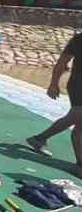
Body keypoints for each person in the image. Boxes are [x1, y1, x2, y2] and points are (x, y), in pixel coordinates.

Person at [26, 32, 82, 178]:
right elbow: (63, 62)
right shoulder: (79, 39)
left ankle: (39, 139)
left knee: (76, 120)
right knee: (79, 118)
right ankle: (80, 165)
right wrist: (53, 84)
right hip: (78, 85)